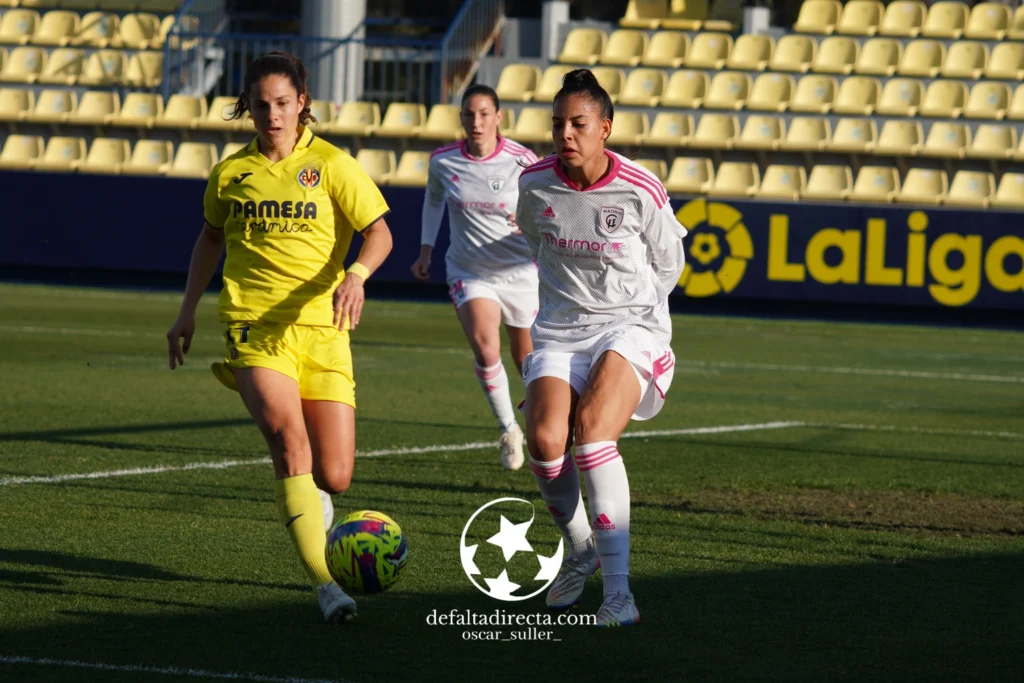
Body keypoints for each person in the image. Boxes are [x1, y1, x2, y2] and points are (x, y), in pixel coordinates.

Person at [165, 51, 394, 624]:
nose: (273, 114)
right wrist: (187, 311)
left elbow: (380, 234)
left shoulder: (335, 165)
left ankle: (318, 518)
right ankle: (326, 586)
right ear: (249, 107)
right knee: (290, 443)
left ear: (302, 105)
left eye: (283, 103)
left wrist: (357, 276)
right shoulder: (231, 174)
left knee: (334, 473)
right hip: (253, 329)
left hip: (324, 333)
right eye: (262, 104)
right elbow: (209, 242)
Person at [516, 69, 687, 627]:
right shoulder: (534, 183)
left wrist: (639, 317)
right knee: (543, 442)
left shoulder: (640, 187)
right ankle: (581, 546)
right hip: (562, 329)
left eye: (578, 123)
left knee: (591, 434)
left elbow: (670, 264)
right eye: (558, 123)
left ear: (604, 128)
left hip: (630, 326)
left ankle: (620, 596)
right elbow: (536, 240)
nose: (566, 133)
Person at [411, 84, 539, 471]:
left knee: (527, 361)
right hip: (470, 271)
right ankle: (508, 430)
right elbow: (433, 200)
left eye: (484, 114)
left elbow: (545, 202)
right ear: (461, 118)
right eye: (469, 114)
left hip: (519, 272)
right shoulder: (444, 161)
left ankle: (542, 422)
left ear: (498, 117)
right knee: (486, 348)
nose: (476, 121)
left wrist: (529, 222)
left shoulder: (522, 161)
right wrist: (426, 249)